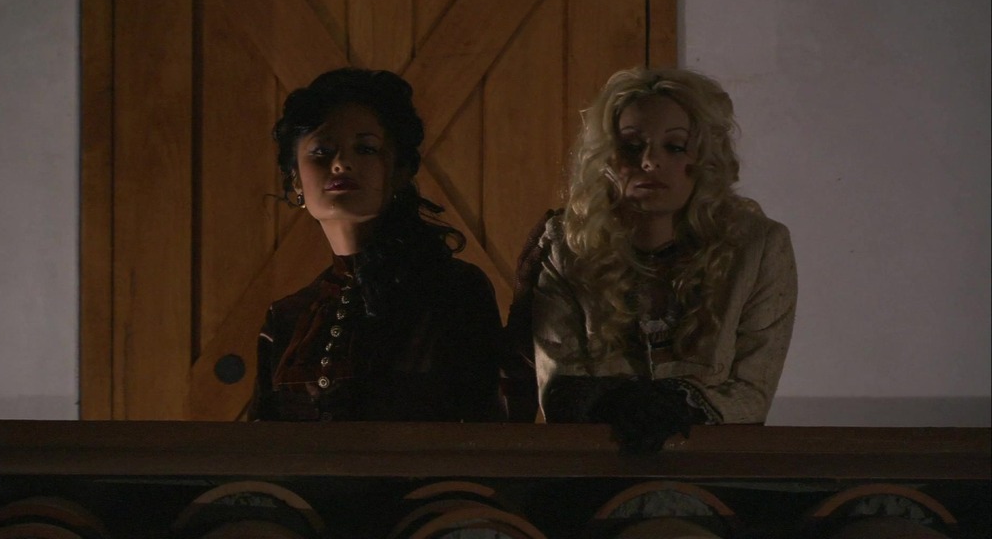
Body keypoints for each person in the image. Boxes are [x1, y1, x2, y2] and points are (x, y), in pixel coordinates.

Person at [515, 67, 797, 451]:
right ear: (607, 158)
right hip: (597, 463)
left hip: (714, 464)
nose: (649, 162)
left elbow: (752, 391)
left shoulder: (758, 247)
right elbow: (559, 388)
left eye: (675, 146)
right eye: (632, 146)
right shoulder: (568, 245)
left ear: (705, 157)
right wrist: (616, 403)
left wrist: (679, 404)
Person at [248, 67, 505, 423]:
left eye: (366, 148)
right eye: (321, 151)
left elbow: (485, 427)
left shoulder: (452, 292)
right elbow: (259, 443)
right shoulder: (286, 318)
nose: (341, 163)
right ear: (295, 180)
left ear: (399, 171)